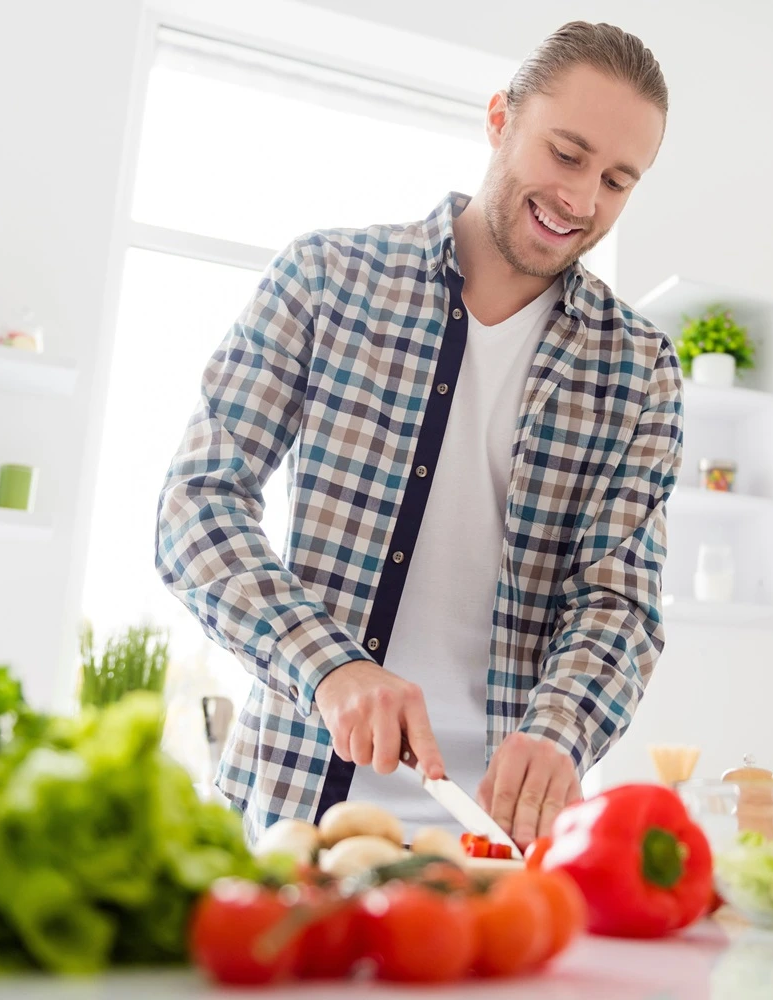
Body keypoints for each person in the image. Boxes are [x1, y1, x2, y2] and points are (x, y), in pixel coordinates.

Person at [156, 21, 681, 848]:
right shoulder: (328, 278)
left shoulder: (640, 368)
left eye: (618, 180)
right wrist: (329, 665)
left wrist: (562, 730)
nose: (582, 200)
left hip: (494, 845)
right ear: (501, 118)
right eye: (567, 154)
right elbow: (195, 507)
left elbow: (619, 599)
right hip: (295, 814)